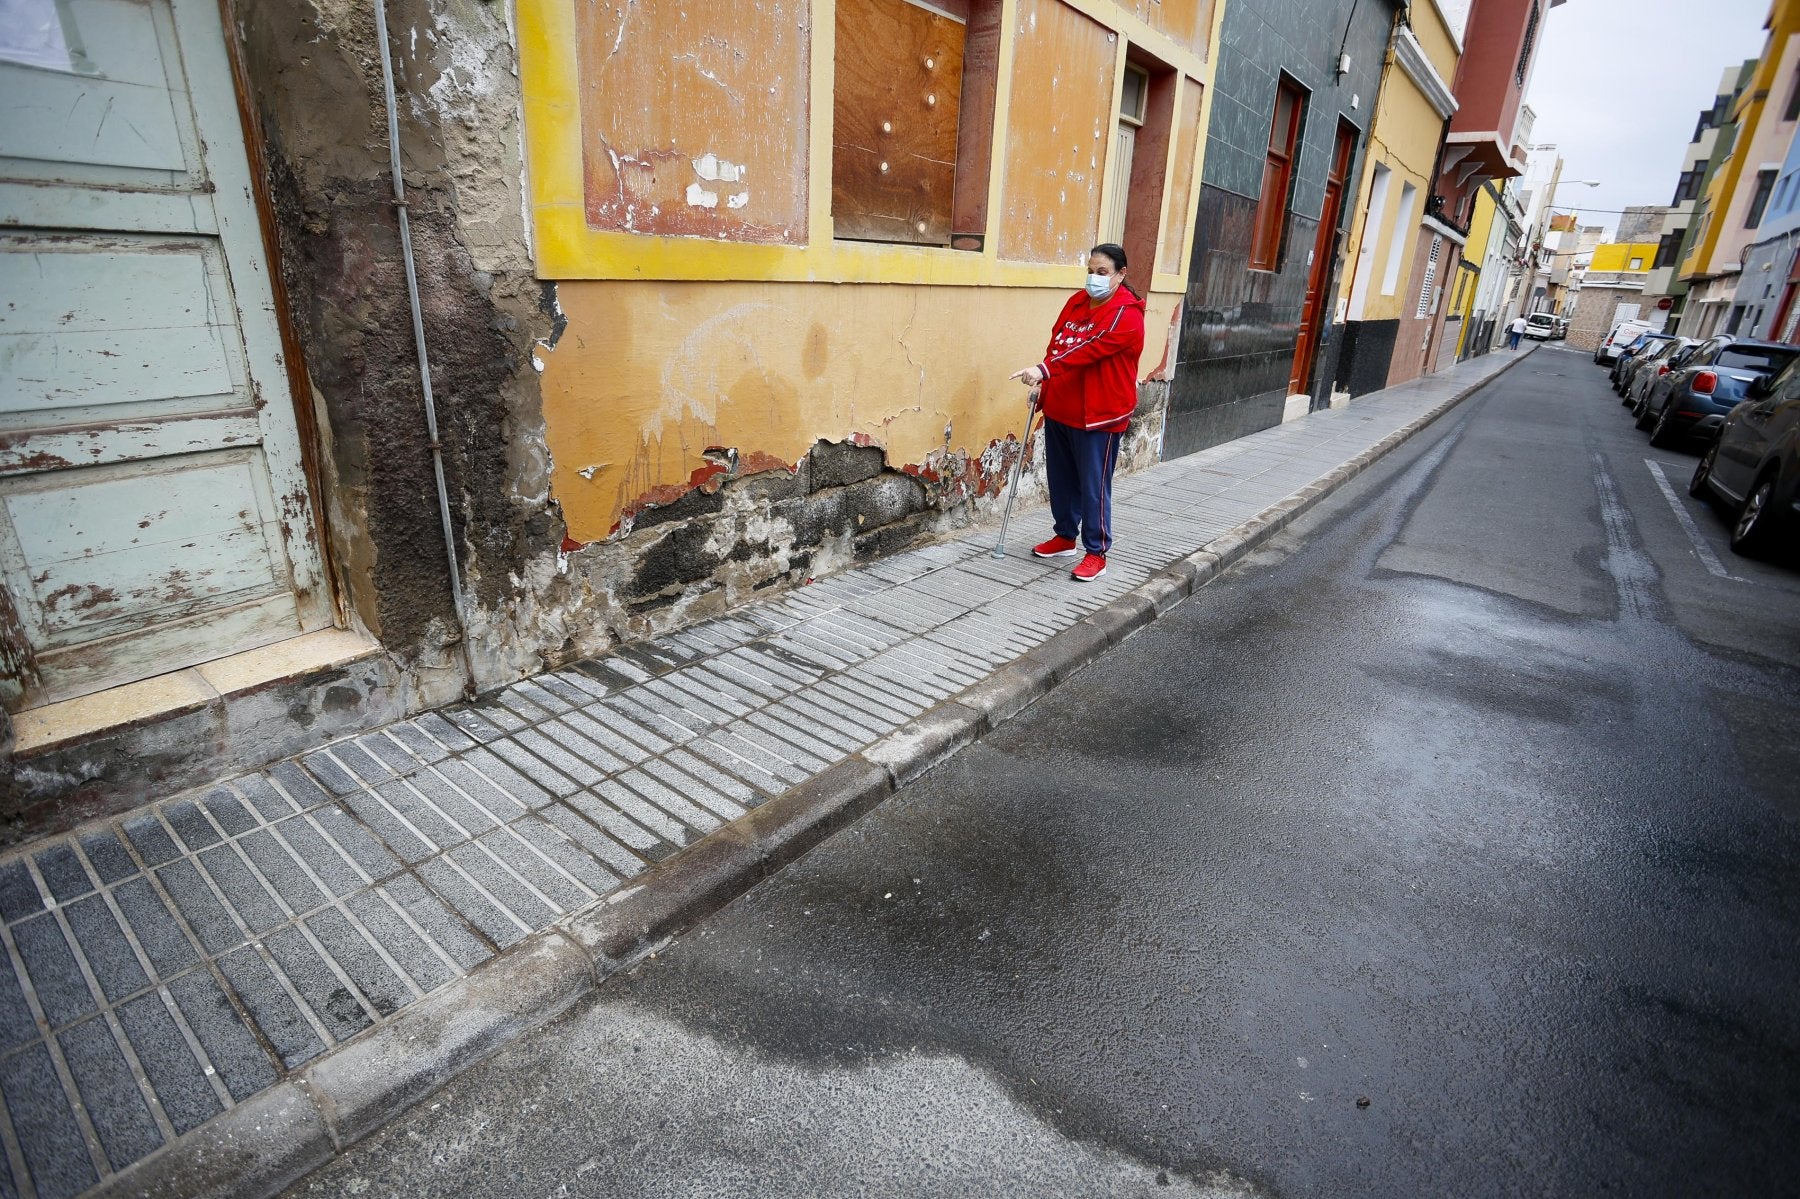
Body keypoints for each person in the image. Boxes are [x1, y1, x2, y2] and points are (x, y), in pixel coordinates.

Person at [1009, 243, 1146, 582]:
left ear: (1121, 275)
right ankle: (1065, 535)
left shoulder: (1126, 315)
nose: (1094, 279)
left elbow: (1089, 348)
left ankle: (1096, 552)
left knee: (1093, 486)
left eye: (1102, 273)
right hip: (1062, 408)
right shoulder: (1076, 302)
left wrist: (1044, 369)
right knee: (1061, 479)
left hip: (1099, 415)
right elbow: (1058, 344)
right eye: (1090, 271)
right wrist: (1045, 387)